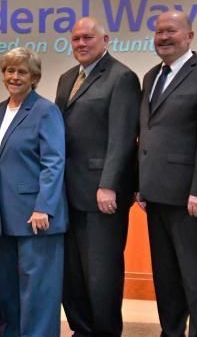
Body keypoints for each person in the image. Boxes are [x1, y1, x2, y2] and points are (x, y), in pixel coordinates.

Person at [138, 11, 197, 337]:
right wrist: (141, 184)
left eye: (171, 31)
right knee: (165, 274)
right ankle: (172, 331)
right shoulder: (151, 76)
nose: (163, 37)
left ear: (189, 36)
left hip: (189, 196)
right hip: (155, 193)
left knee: (194, 273)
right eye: (159, 32)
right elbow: (148, 133)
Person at [55, 17, 141, 336]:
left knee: (101, 274)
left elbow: (122, 138)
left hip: (102, 195)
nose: (81, 43)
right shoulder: (66, 78)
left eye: (88, 38)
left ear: (106, 40)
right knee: (73, 273)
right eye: (76, 38)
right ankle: (82, 330)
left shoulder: (122, 78)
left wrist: (109, 185)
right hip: (67, 192)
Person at [0, 47, 67, 337]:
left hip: (36, 217)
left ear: (35, 77)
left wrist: (44, 206)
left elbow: (54, 162)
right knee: (7, 293)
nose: (14, 77)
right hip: (3, 219)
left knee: (38, 294)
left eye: (22, 72)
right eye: (10, 70)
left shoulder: (46, 110)